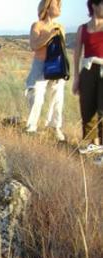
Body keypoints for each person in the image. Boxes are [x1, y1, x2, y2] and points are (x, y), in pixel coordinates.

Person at [24, 0, 66, 141]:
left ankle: (55, 128)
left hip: (56, 64)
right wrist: (49, 35)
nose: (60, 7)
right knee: (36, 94)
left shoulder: (60, 26)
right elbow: (33, 45)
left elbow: (62, 48)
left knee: (57, 97)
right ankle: (31, 127)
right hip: (40, 63)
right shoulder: (37, 25)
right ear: (47, 9)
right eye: (56, 5)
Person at [73, 0, 103, 157]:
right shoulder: (82, 29)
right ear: (94, 6)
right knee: (87, 106)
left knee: (102, 109)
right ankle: (94, 144)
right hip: (87, 70)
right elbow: (77, 53)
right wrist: (76, 78)